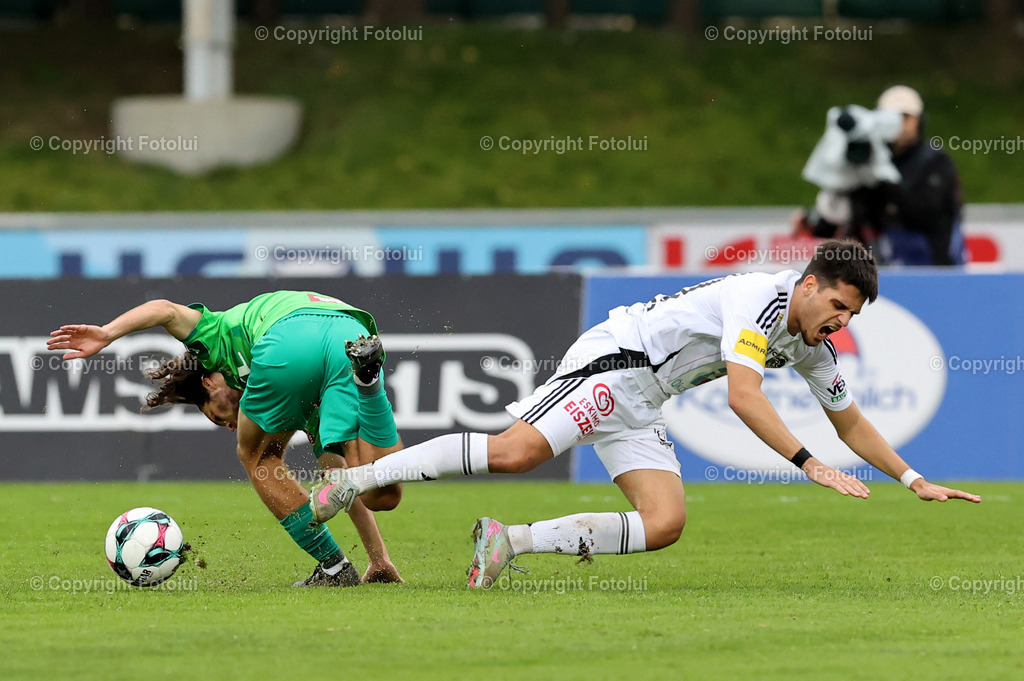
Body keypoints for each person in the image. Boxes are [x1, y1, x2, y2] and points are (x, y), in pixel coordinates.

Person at [309, 240, 981, 589]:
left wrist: (912, 477)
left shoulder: (809, 340)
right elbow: (744, 395)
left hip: (646, 397)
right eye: (838, 306)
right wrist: (808, 465)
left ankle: (508, 540)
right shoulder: (759, 300)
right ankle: (351, 482)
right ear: (809, 284)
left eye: (851, 318)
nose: (840, 323)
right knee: (517, 451)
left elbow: (851, 422)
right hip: (617, 359)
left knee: (664, 523)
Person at [47, 290, 404, 587]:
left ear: (209, 383)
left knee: (254, 455)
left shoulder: (215, 335)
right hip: (348, 333)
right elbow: (340, 481)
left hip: (288, 336)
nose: (231, 424)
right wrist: (380, 558)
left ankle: (333, 568)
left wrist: (107, 333)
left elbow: (164, 310)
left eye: (220, 417)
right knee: (373, 491)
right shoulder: (303, 399)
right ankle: (368, 377)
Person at [795, 85, 965, 266]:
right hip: (878, 272)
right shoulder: (871, 158)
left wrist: (884, 179)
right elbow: (845, 219)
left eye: (905, 117)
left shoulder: (934, 161)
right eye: (891, 117)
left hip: (931, 268)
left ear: (918, 120)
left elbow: (926, 214)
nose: (899, 124)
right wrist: (816, 217)